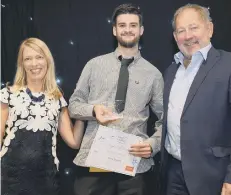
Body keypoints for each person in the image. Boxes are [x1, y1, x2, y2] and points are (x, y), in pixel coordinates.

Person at [68, 3, 163, 195]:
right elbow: (73, 106)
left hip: (133, 165)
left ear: (141, 30)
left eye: (133, 25)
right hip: (94, 163)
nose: (127, 30)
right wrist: (94, 111)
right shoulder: (94, 65)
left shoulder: (153, 74)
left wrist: (153, 144)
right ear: (114, 30)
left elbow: (166, 119)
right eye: (122, 25)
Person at [160, 4, 231, 195]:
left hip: (213, 175)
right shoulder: (170, 71)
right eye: (181, 31)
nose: (188, 36)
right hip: (173, 172)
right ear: (175, 37)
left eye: (193, 28)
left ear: (209, 28)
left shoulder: (228, 65)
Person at [0, 37, 84, 195]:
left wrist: (83, 114)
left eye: (39, 57)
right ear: (22, 64)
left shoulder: (57, 99)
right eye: (28, 59)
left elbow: (74, 142)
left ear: (47, 61)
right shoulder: (7, 95)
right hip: (9, 179)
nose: (34, 64)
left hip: (46, 180)